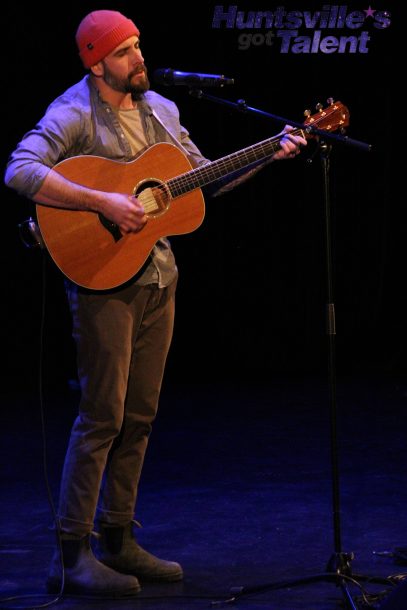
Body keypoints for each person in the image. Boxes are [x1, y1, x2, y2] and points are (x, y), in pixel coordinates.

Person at [4, 10, 306, 597]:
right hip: (104, 283)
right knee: (102, 416)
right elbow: (20, 169)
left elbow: (202, 181)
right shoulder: (72, 112)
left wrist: (268, 155)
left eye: (138, 46)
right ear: (96, 63)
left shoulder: (161, 112)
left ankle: (119, 538)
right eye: (123, 52)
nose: (138, 58)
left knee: (140, 414)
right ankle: (71, 553)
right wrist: (105, 203)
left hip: (159, 277)